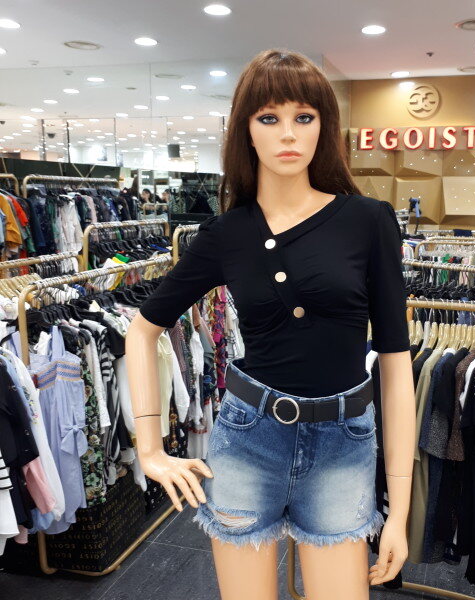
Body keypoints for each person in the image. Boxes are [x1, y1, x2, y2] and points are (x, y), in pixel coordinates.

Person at [125, 48, 415, 600]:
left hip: (342, 441)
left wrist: (398, 512)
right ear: (247, 131)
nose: (288, 133)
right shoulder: (225, 234)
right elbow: (142, 329)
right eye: (268, 117)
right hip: (247, 439)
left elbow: (396, 365)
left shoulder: (367, 221)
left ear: (324, 127)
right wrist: (149, 449)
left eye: (304, 116)